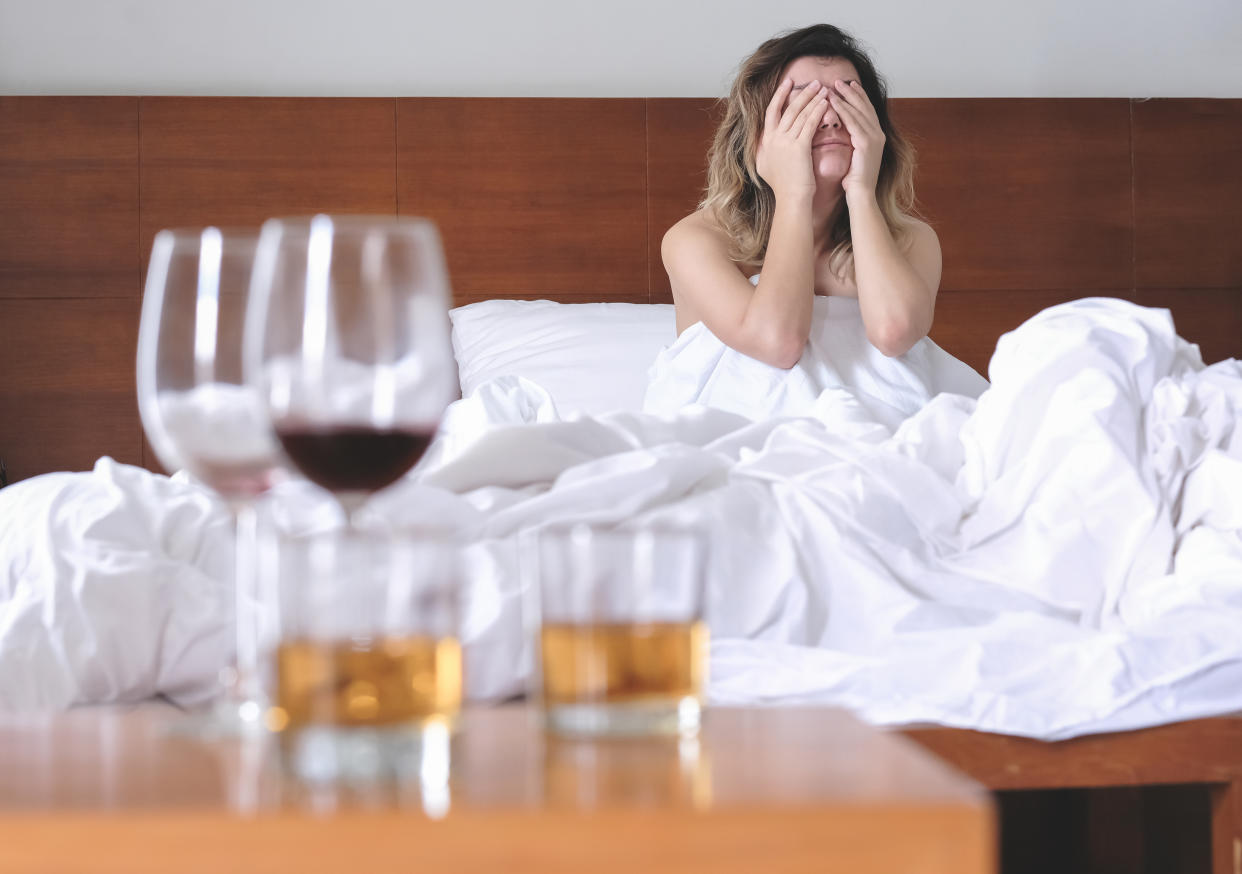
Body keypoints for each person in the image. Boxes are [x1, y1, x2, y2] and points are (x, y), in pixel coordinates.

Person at [662, 24, 939, 368]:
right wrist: (794, 195)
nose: (830, 119)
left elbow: (895, 333)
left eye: (847, 100)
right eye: (805, 104)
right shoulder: (695, 240)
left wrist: (862, 192)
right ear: (757, 133)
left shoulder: (913, 240)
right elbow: (777, 344)